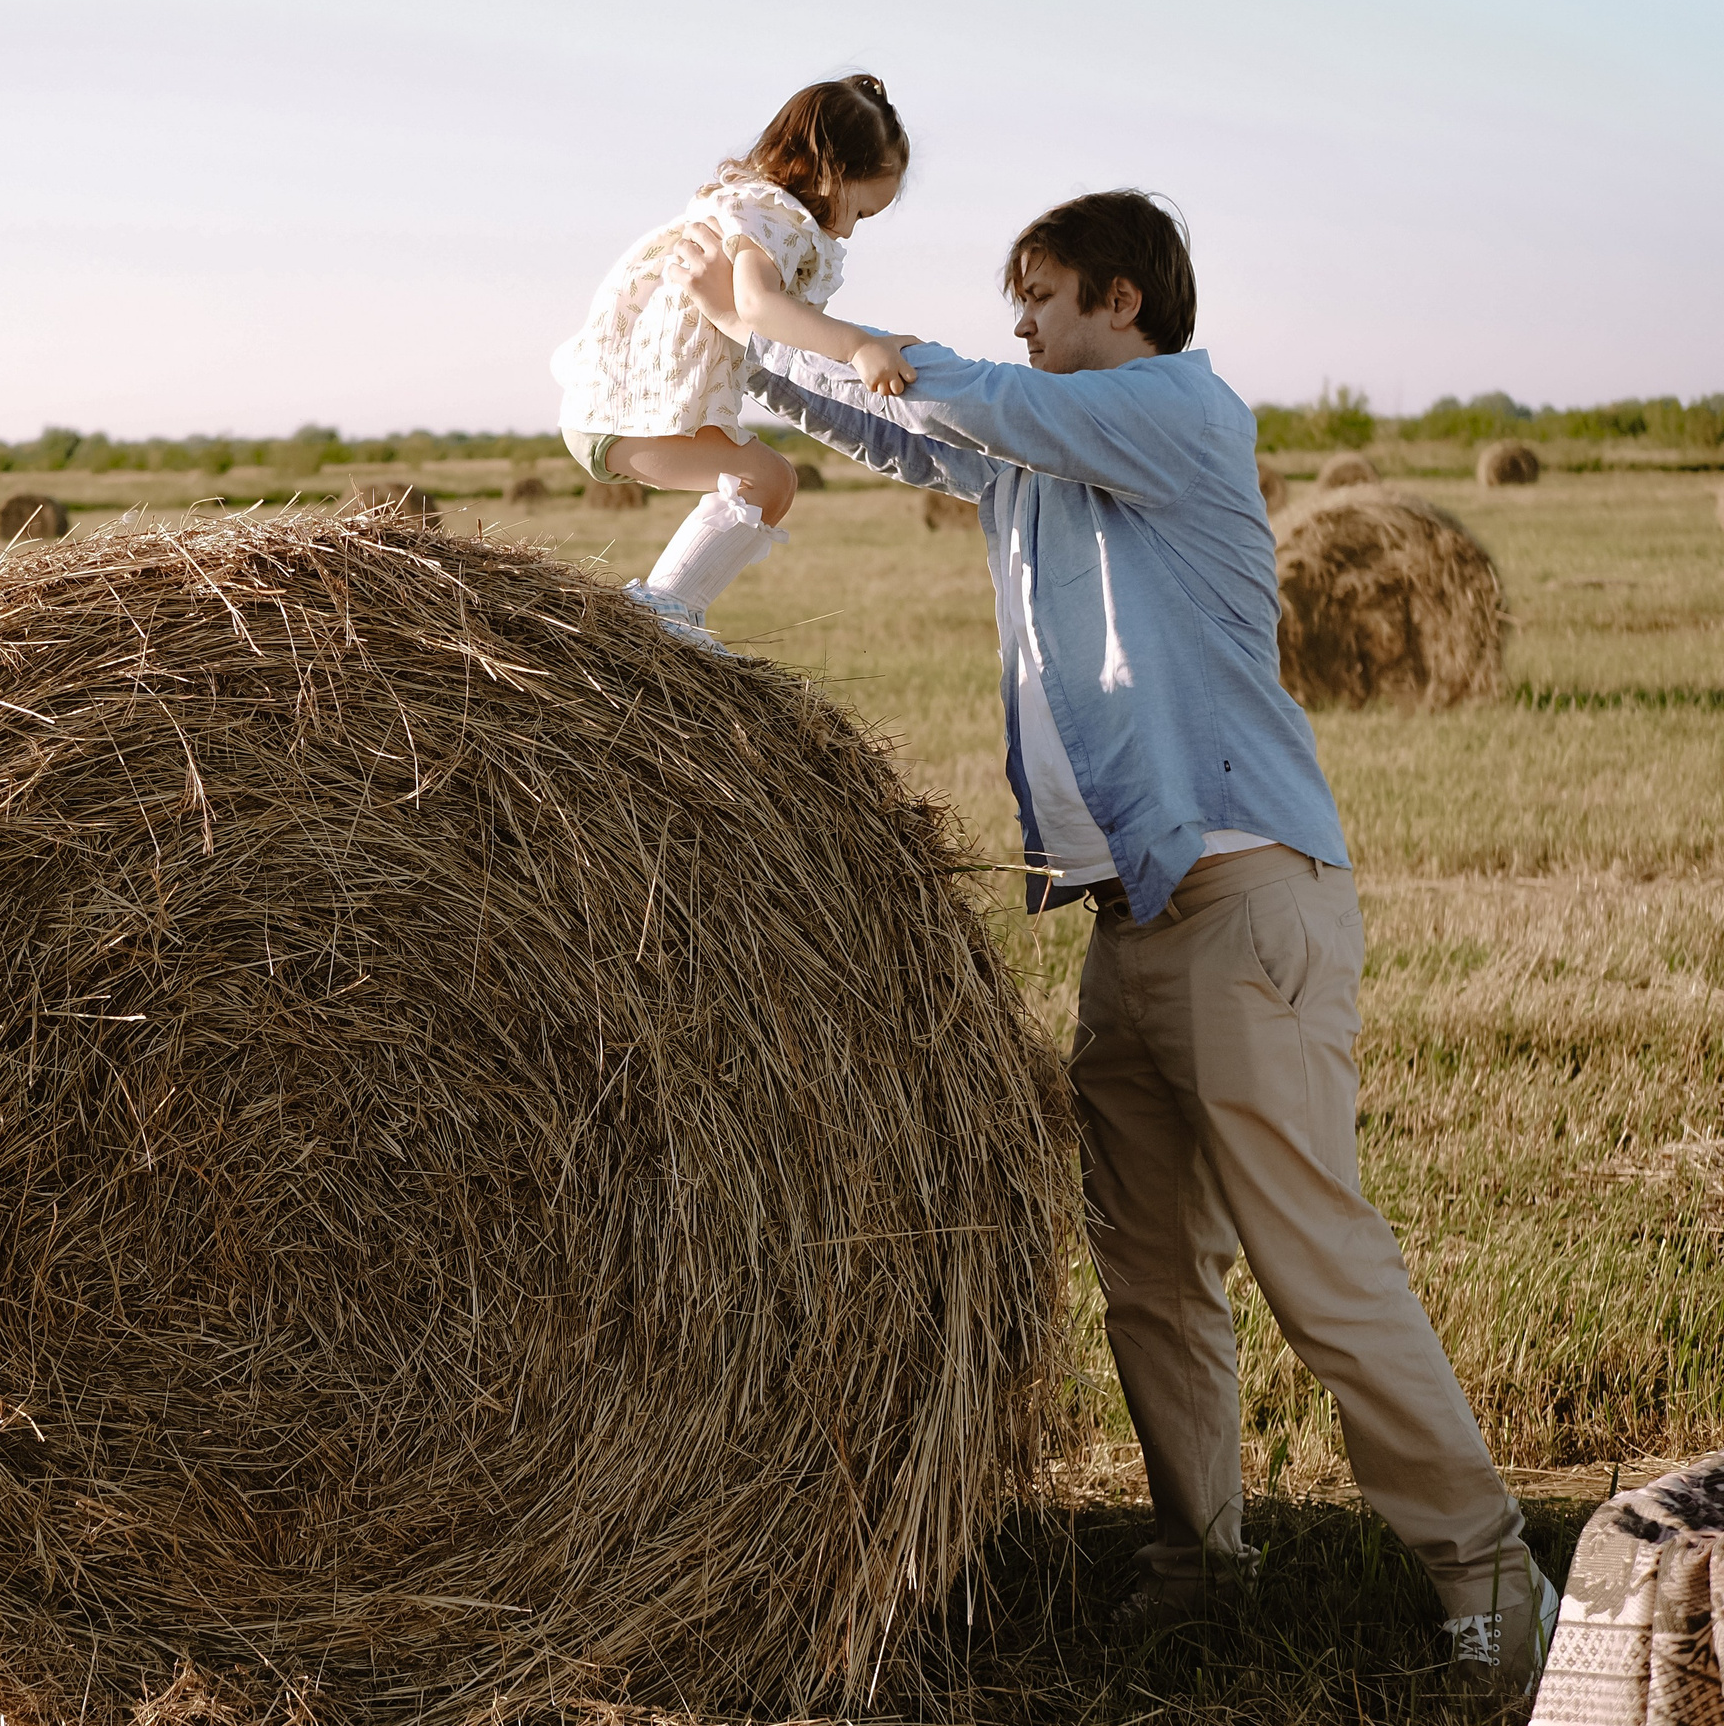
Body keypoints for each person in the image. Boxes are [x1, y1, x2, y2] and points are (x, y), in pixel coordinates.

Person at [666, 190, 1559, 1691]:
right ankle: (1199, 1555)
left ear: (1122, 303)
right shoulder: (1044, 462)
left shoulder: (1176, 414)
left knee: (1317, 1264)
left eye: (1044, 295)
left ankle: (1491, 1576)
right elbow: (909, 426)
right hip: (1135, 923)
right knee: (1149, 1269)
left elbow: (968, 388)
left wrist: (786, 316)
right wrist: (727, 359)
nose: (1022, 322)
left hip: (1246, 905)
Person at [549, 74, 920, 647]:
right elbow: (756, 306)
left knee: (770, 481)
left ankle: (669, 614)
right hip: (626, 417)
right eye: (862, 213)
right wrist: (858, 346)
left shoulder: (748, 206)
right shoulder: (778, 218)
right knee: (769, 479)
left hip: (609, 410)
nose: (849, 231)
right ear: (830, 171)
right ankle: (663, 613)